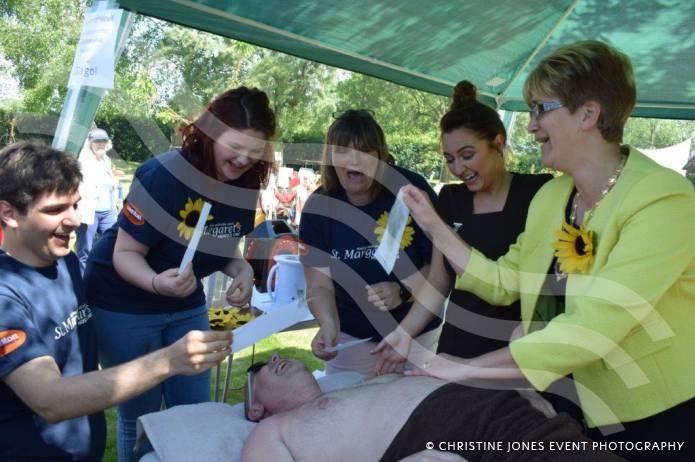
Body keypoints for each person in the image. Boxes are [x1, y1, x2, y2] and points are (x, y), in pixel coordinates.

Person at [399, 40, 695, 461]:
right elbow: (503, 283)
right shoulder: (551, 197)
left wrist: (461, 370)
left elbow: (593, 328)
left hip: (656, 418)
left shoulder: (663, 199)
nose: (532, 126)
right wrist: (434, 226)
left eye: (541, 109)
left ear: (588, 115)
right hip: (566, 407)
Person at [0, 142, 232, 461]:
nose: (75, 221)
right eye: (55, 210)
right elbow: (49, 399)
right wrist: (168, 360)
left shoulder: (65, 263)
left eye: (76, 205)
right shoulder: (5, 296)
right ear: (8, 213)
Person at [84, 86, 276, 461]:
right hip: (122, 303)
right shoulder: (164, 176)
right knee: (139, 416)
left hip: (186, 303)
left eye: (254, 154)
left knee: (195, 409)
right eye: (235, 147)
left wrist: (240, 270)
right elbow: (125, 253)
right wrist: (157, 282)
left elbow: (221, 244)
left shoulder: (247, 184)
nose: (242, 161)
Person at [374, 80, 552, 375]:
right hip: (456, 349)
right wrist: (403, 334)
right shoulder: (451, 199)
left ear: (498, 142)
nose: (458, 168)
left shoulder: (538, 193)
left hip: (515, 357)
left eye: (467, 155)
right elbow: (438, 281)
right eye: (449, 159)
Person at [241, 353, 623, 462]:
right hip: (429, 445)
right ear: (256, 407)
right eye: (260, 369)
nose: (274, 358)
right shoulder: (271, 432)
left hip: (507, 422)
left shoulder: (363, 384)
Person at [299, 109, 441, 376]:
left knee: (417, 413)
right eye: (342, 150)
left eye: (364, 151)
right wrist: (328, 324)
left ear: (380, 156)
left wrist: (403, 291)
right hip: (353, 339)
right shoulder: (319, 207)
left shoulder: (409, 190)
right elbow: (318, 284)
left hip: (417, 334)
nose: (354, 160)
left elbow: (439, 271)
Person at [75, 128, 119, 273]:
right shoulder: (83, 161)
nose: (100, 144)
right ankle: (82, 283)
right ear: (90, 143)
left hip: (107, 212)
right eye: (97, 141)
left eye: (103, 141)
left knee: (112, 245)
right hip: (89, 213)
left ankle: (102, 277)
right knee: (85, 250)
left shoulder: (106, 160)